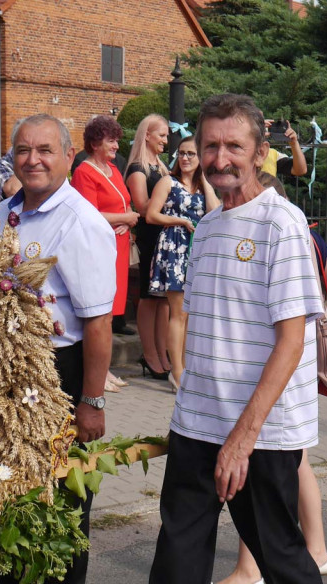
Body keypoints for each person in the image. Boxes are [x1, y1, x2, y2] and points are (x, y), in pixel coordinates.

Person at [135, 93, 327, 584]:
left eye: (234, 145)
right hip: (198, 421)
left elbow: (292, 341)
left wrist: (242, 439)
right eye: (210, 145)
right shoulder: (206, 228)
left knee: (276, 549)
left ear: (258, 153)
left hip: (264, 431)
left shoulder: (283, 223)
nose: (220, 157)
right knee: (178, 553)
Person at [0, 114, 115, 584]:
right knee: (11, 484)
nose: (32, 160)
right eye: (22, 150)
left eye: (44, 150)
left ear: (67, 157)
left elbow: (98, 322)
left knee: (62, 490)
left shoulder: (80, 222)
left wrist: (92, 400)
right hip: (10, 369)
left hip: (62, 369)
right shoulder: (2, 215)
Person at [209, 210, 327, 584]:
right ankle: (317, 551)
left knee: (258, 460)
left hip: (274, 361)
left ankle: (249, 569)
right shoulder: (309, 237)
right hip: (299, 366)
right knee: (297, 458)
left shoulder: (269, 238)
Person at [70, 115, 140, 392]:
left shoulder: (112, 169)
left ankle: (105, 369)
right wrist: (125, 218)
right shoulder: (84, 172)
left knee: (110, 313)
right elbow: (87, 214)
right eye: (111, 141)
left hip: (118, 247)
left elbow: (124, 203)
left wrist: (127, 219)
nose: (116, 146)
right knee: (100, 313)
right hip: (99, 249)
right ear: (95, 143)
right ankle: (96, 374)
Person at [145, 136, 219, 389]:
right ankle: (176, 372)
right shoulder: (168, 181)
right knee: (178, 313)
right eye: (182, 153)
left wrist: (206, 179)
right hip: (174, 247)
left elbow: (215, 212)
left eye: (191, 154)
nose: (185, 158)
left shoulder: (203, 186)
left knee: (190, 314)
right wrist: (180, 221)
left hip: (196, 249)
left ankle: (186, 369)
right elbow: (151, 215)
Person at [126, 114, 171, 379]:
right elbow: (142, 206)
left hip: (166, 237)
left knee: (164, 299)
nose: (165, 140)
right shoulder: (138, 168)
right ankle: (150, 354)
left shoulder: (161, 167)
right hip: (150, 237)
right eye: (161, 135)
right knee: (148, 296)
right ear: (147, 136)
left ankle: (162, 352)